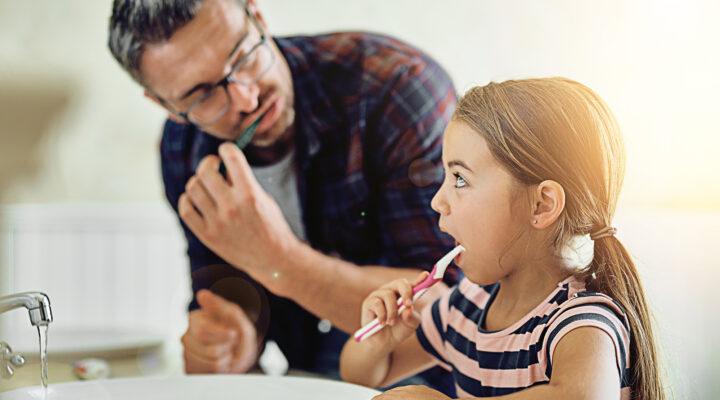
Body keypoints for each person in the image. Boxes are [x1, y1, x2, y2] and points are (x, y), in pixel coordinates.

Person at [107, 0, 459, 393]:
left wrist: (280, 262)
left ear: (258, 17)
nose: (246, 98)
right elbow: (227, 299)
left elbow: (451, 306)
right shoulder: (184, 149)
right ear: (166, 106)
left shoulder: (396, 89)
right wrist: (231, 343)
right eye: (202, 94)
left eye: (242, 56)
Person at [340, 78, 666, 399]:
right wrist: (376, 343)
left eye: (460, 179)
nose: (437, 201)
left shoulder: (581, 322)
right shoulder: (466, 306)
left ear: (541, 205)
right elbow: (364, 375)